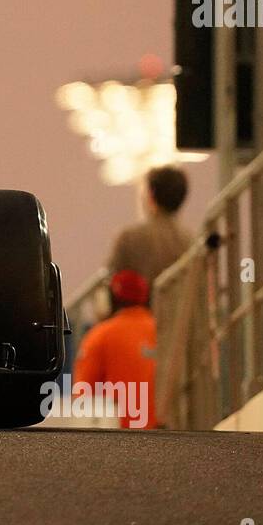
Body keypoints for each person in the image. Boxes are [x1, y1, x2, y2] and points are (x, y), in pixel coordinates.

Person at [72, 269, 157, 429]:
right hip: (163, 437)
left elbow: (83, 398)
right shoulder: (162, 332)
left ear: (111, 298)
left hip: (115, 438)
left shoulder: (100, 335)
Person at [107, 165, 193, 288]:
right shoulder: (192, 241)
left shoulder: (129, 237)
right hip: (184, 307)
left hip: (141, 306)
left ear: (151, 194)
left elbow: (110, 280)